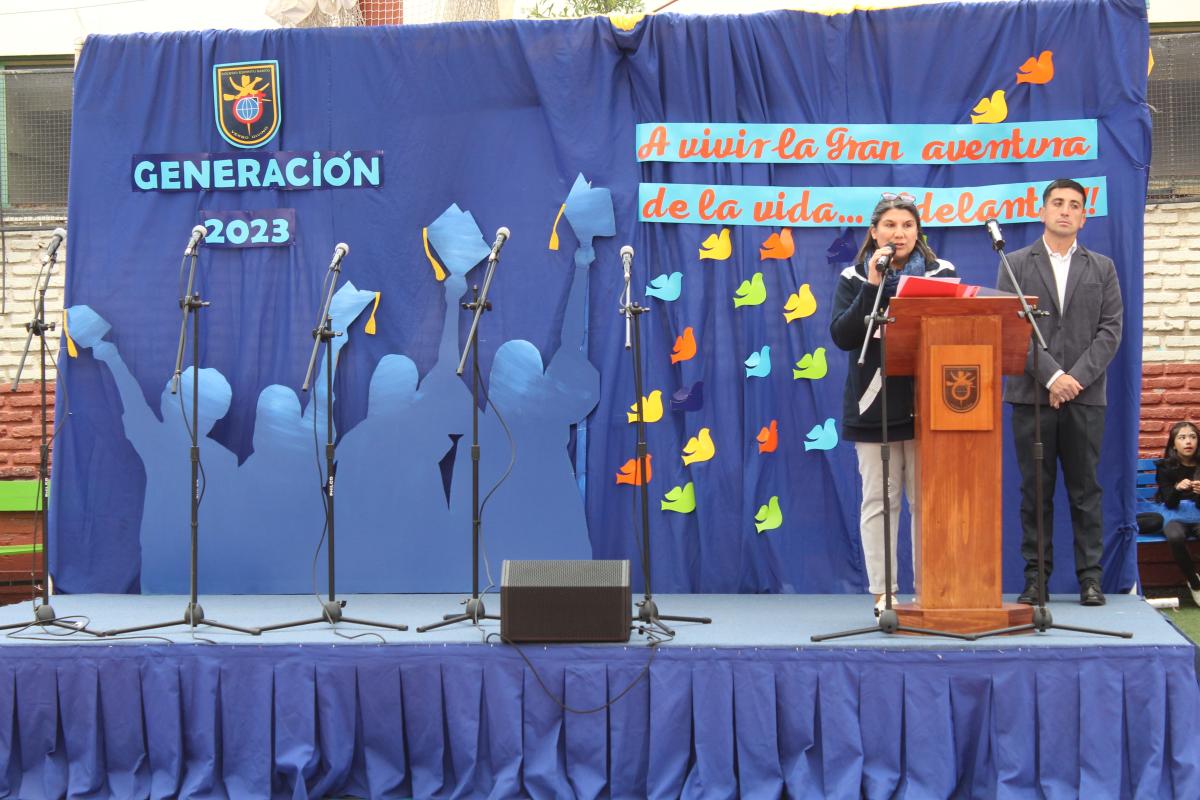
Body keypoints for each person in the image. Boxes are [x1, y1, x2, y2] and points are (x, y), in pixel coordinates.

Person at [997, 178, 1123, 606]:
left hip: (1085, 398)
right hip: (1031, 397)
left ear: (1084, 217)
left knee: (1086, 491)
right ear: (1043, 211)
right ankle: (1036, 579)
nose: (1065, 210)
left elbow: (1110, 331)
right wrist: (1052, 378)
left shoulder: (1102, 268)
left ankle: (1091, 579)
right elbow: (1010, 327)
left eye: (1074, 205)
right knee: (1035, 492)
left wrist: (1073, 381)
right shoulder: (1015, 263)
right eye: (1058, 203)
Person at [830, 196, 957, 614]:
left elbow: (956, 333)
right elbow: (844, 336)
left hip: (928, 405)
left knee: (926, 503)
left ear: (918, 232)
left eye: (906, 225)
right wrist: (872, 284)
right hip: (874, 407)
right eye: (889, 225)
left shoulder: (941, 274)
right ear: (874, 232)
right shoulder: (854, 276)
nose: (898, 233)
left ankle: (929, 591)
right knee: (880, 501)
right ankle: (884, 593)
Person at [1154, 421, 1200, 606]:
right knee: (1174, 536)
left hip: (1198, 514)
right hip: (1175, 515)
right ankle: (1194, 582)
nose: (1188, 441)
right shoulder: (1165, 467)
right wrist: (1177, 489)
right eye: (1182, 437)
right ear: (1174, 444)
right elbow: (1169, 503)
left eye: (1193, 437)